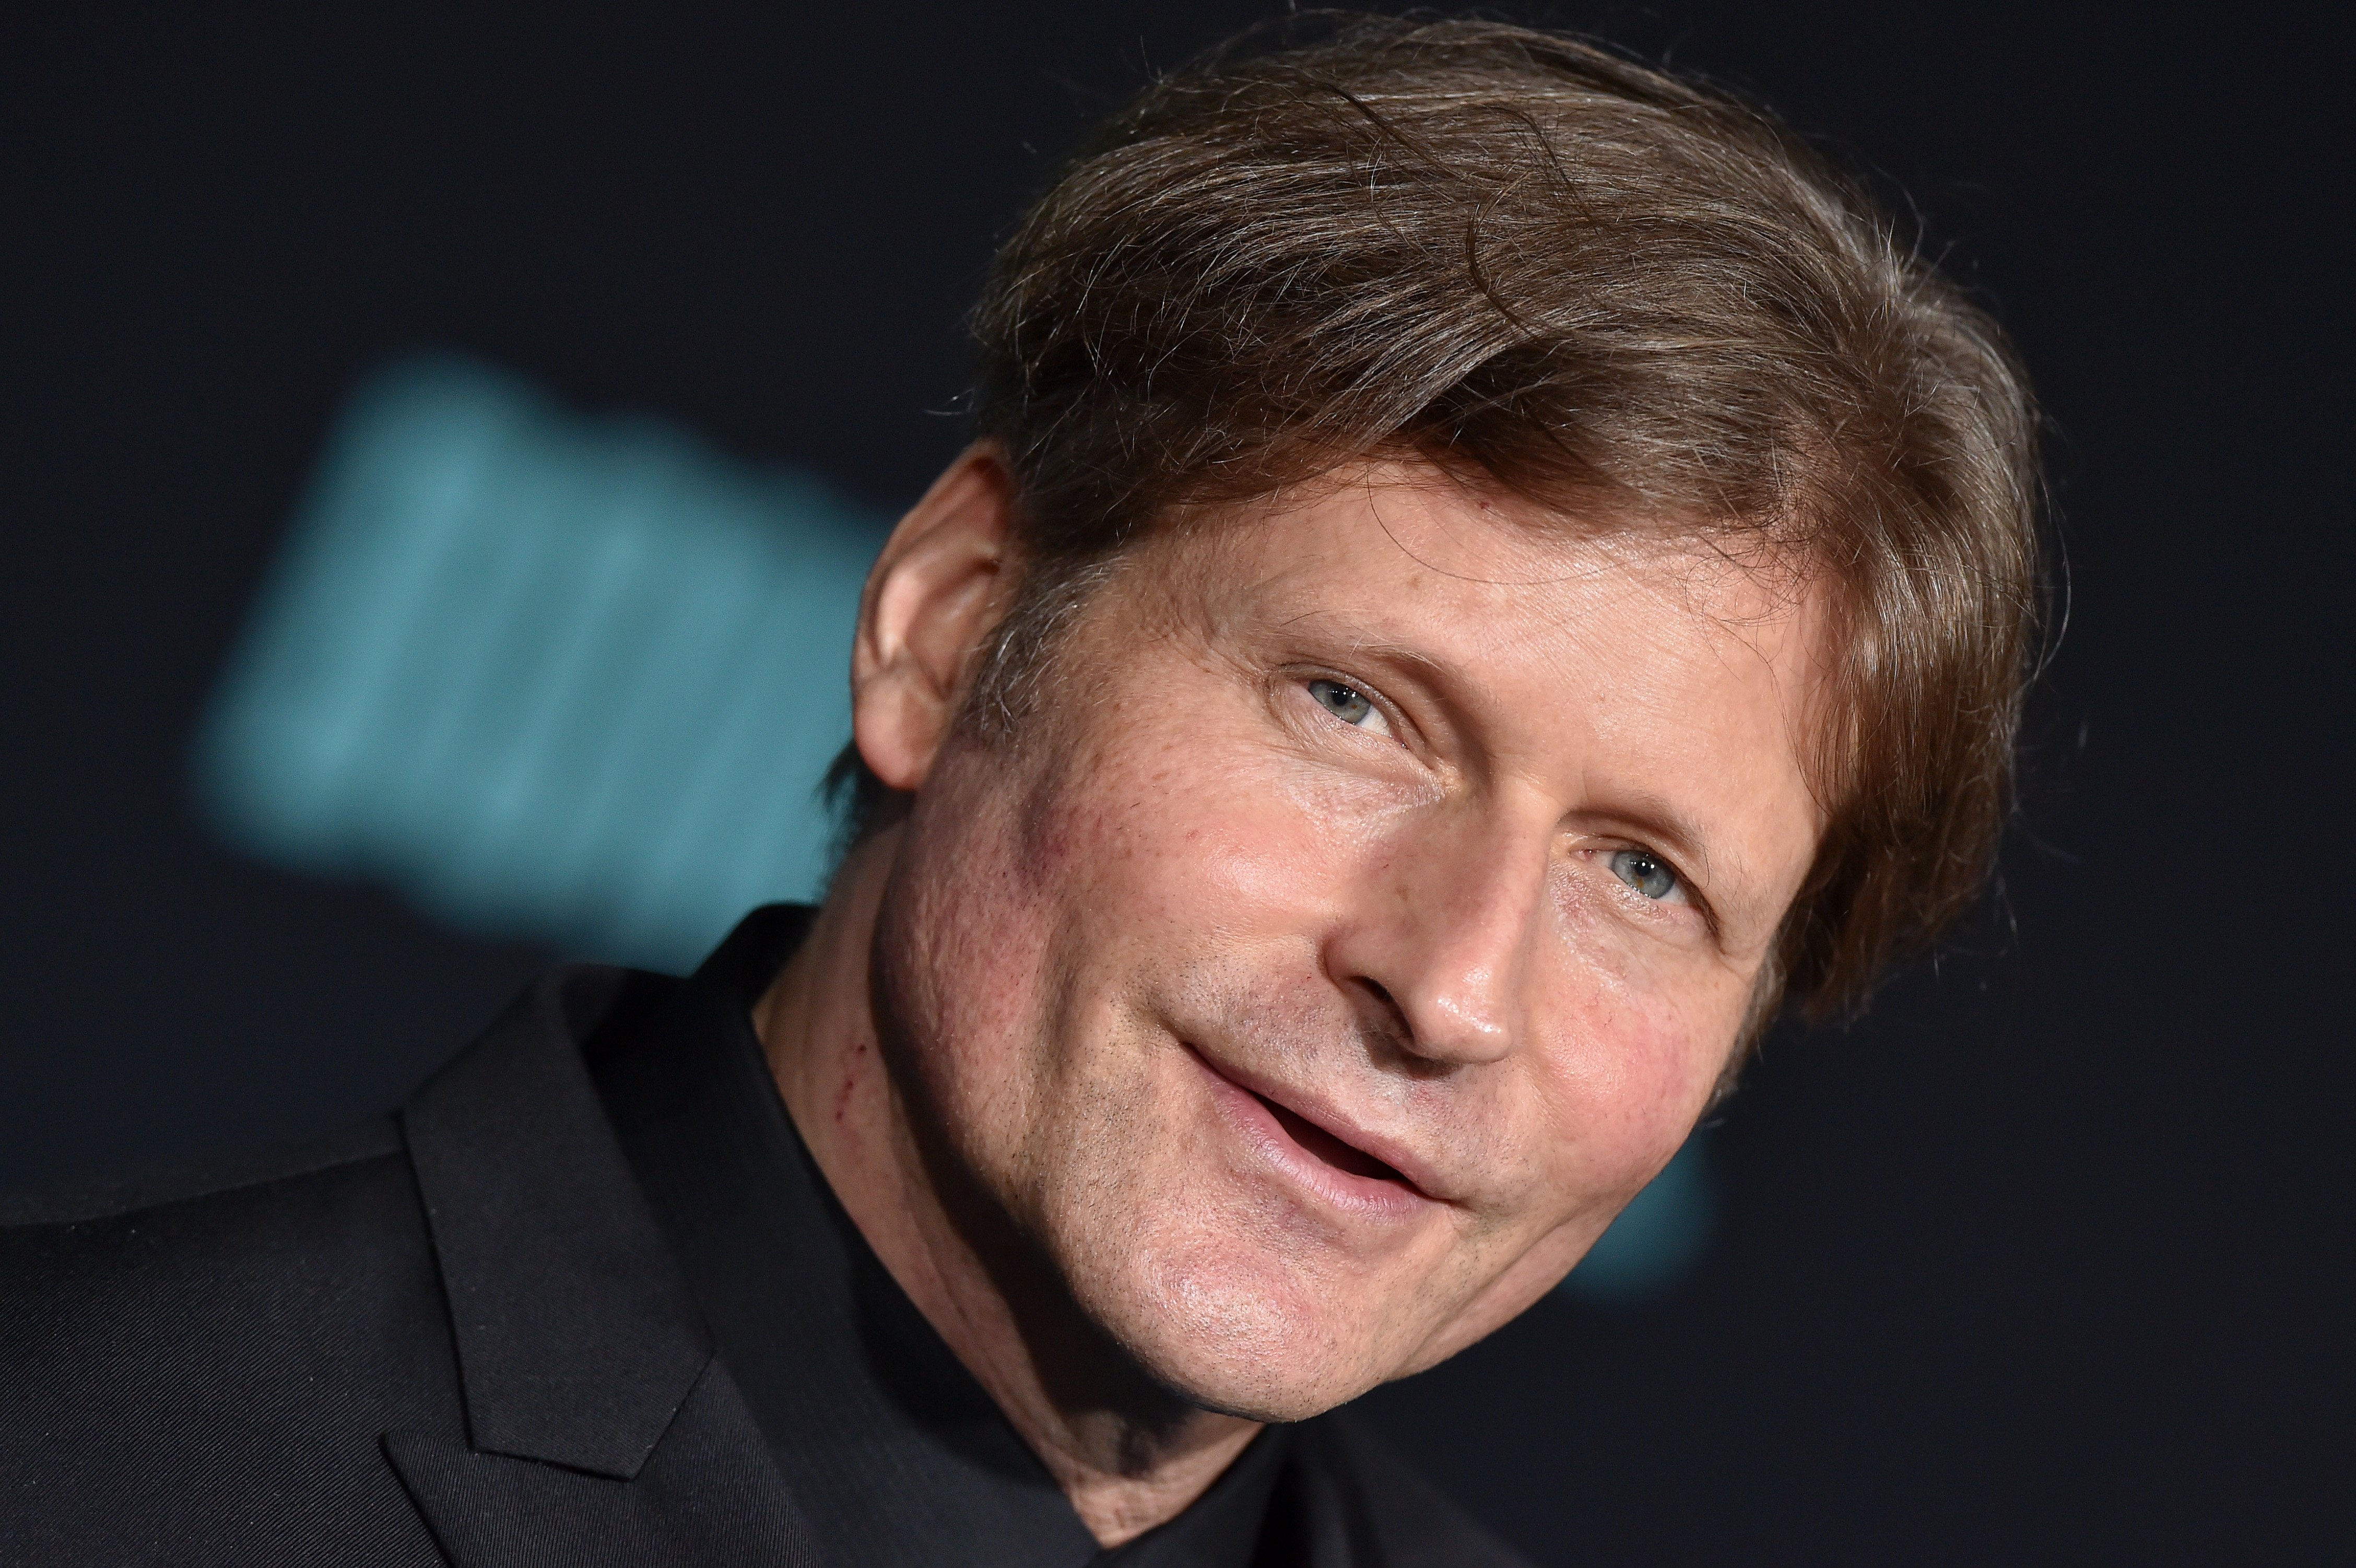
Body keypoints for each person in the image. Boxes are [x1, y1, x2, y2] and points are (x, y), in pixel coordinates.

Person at [0, 15, 2042, 1566]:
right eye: (1356, 708)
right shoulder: (88, 1453)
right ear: (953, 626)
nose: (1452, 985)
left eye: (1644, 874)